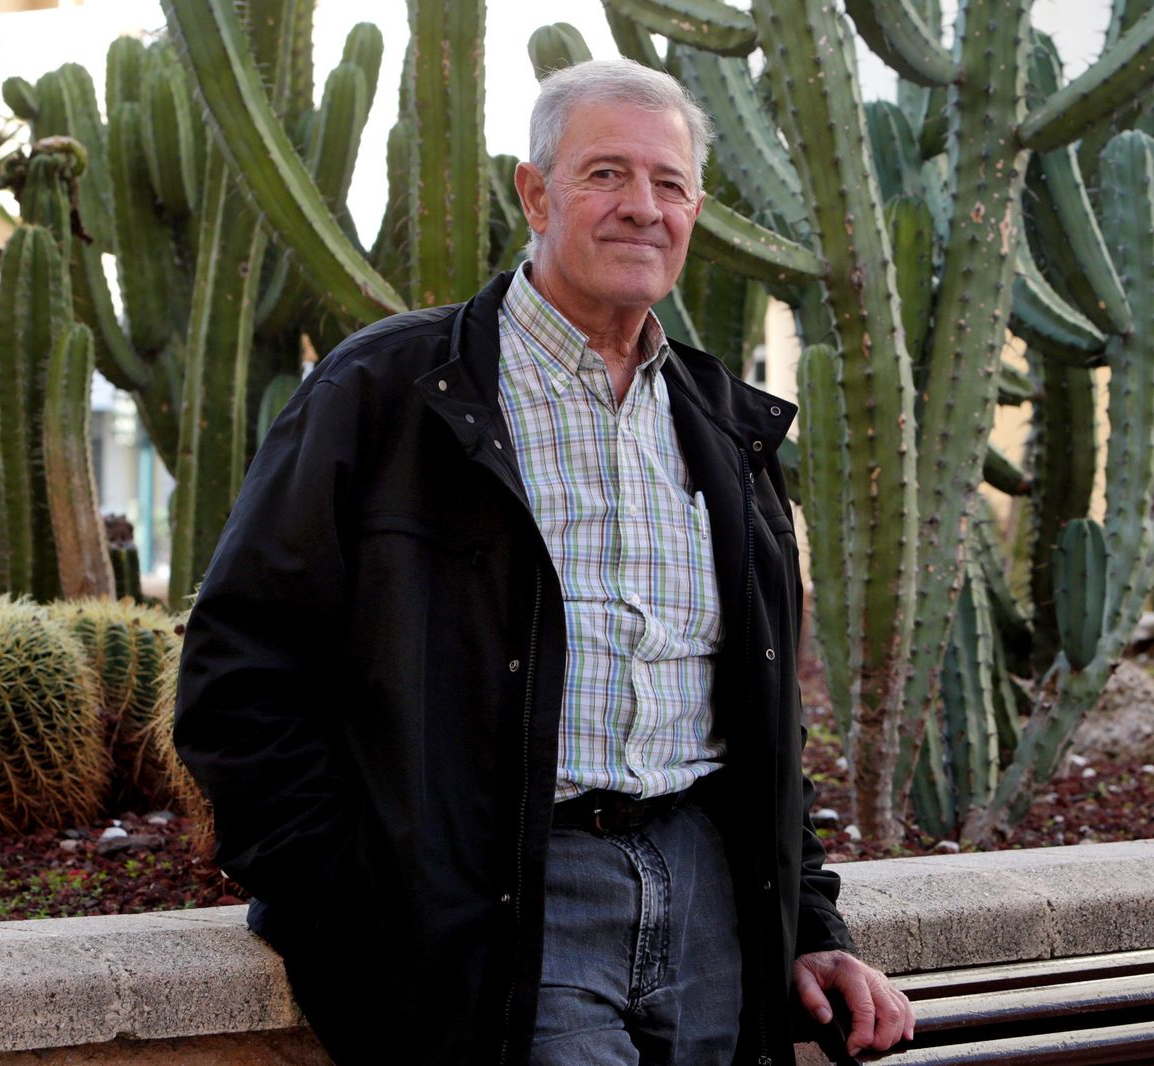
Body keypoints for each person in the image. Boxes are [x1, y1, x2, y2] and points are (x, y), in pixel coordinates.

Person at [174, 57, 914, 1065]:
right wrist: (348, 905)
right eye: (605, 174)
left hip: (704, 897)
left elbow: (756, 715)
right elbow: (239, 670)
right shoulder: (389, 392)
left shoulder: (717, 424)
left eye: (668, 183)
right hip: (503, 894)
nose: (641, 209)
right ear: (534, 193)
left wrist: (811, 929)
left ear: (696, 208)